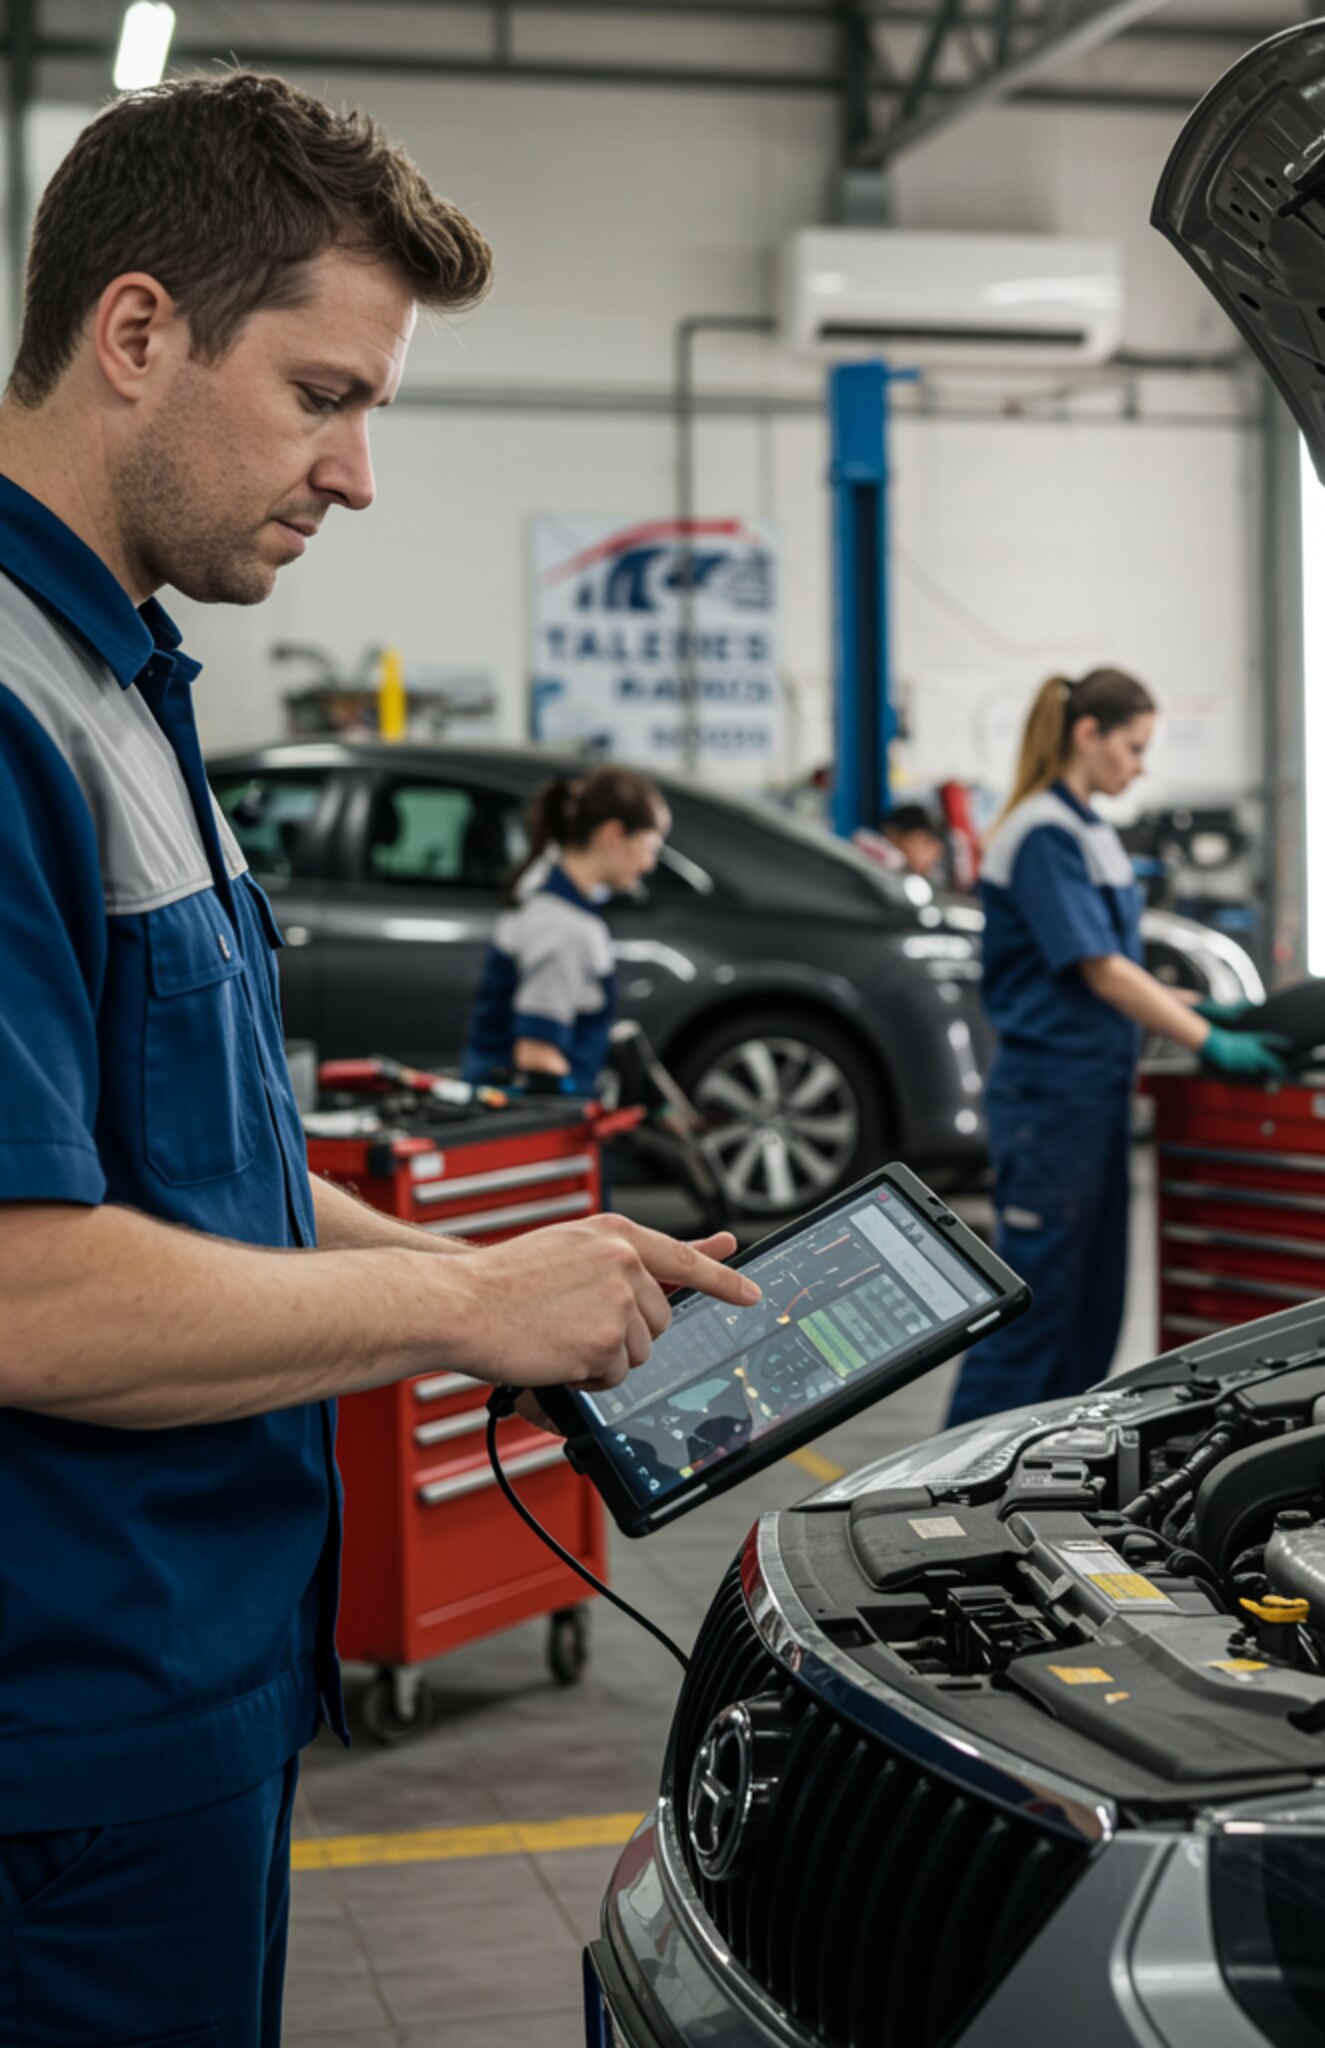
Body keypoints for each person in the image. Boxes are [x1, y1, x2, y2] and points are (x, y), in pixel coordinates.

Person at [0, 75, 758, 2047]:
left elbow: (196, 1166)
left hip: (183, 1688)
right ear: (136, 330)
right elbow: (22, 1288)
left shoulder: (118, 675)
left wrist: (501, 1270)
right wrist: (459, 1308)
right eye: (321, 394)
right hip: (58, 1737)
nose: (355, 474)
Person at [944, 669, 1286, 1427]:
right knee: (1034, 1309)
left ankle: (1046, 1465)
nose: (1139, 767)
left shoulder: (1087, 829)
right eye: (1132, 747)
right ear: (1087, 734)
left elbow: (1113, 968)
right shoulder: (1041, 833)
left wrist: (1204, 1010)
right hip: (1048, 1099)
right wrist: (1206, 1039)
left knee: (1093, 1309)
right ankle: (942, 1477)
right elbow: (1098, 969)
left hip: (1092, 1096)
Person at [464, 766, 671, 1095]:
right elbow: (536, 1056)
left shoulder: (547, 884)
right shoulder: (563, 926)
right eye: (651, 848)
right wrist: (586, 1109)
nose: (649, 864)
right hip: (524, 1115)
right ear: (614, 834)